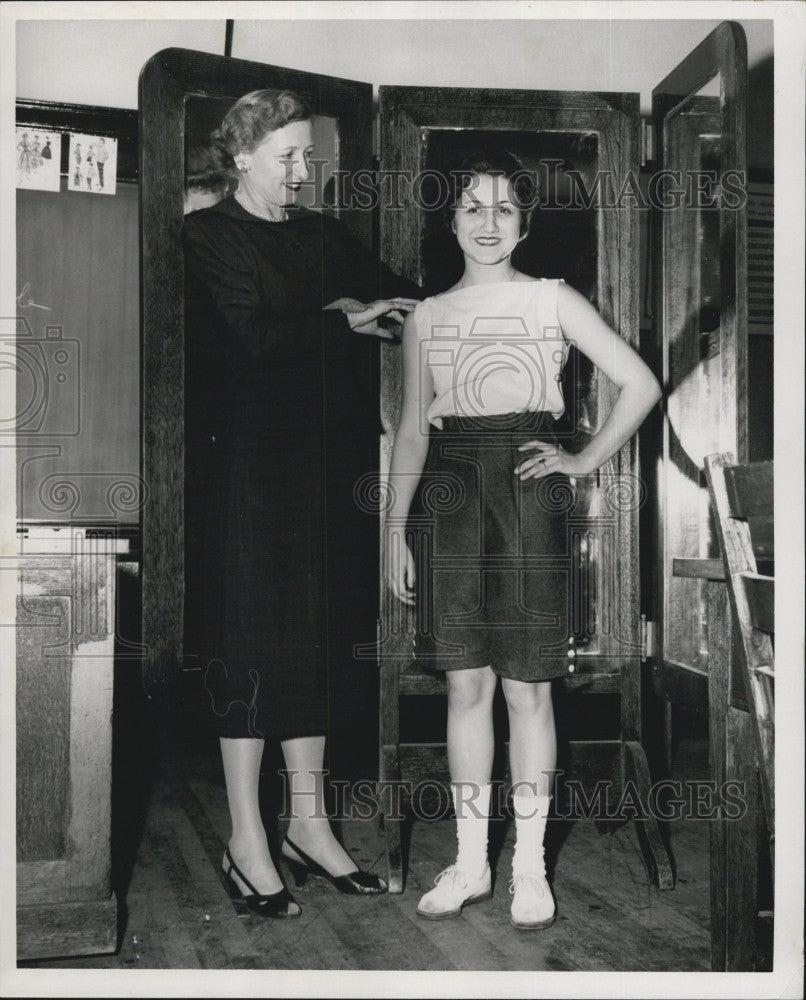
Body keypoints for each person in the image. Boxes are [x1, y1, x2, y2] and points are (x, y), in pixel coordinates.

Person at [384, 151, 661, 931]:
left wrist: (580, 458)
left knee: (528, 687)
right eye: (472, 207)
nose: (487, 222)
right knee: (465, 686)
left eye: (505, 208)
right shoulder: (427, 316)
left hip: (530, 488)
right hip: (451, 492)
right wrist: (396, 527)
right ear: (452, 219)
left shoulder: (552, 299)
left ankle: (529, 870)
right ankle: (471, 862)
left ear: (526, 223)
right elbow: (410, 430)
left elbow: (639, 383)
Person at [181, 88, 420, 919]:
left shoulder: (320, 235)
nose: (302, 170)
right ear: (240, 156)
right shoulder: (206, 234)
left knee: (317, 640)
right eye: (286, 156)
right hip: (247, 472)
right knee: (251, 644)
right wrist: (345, 321)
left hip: (328, 468)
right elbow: (248, 338)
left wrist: (405, 307)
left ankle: (308, 825)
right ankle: (247, 834)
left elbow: (392, 291)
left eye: (307, 156)